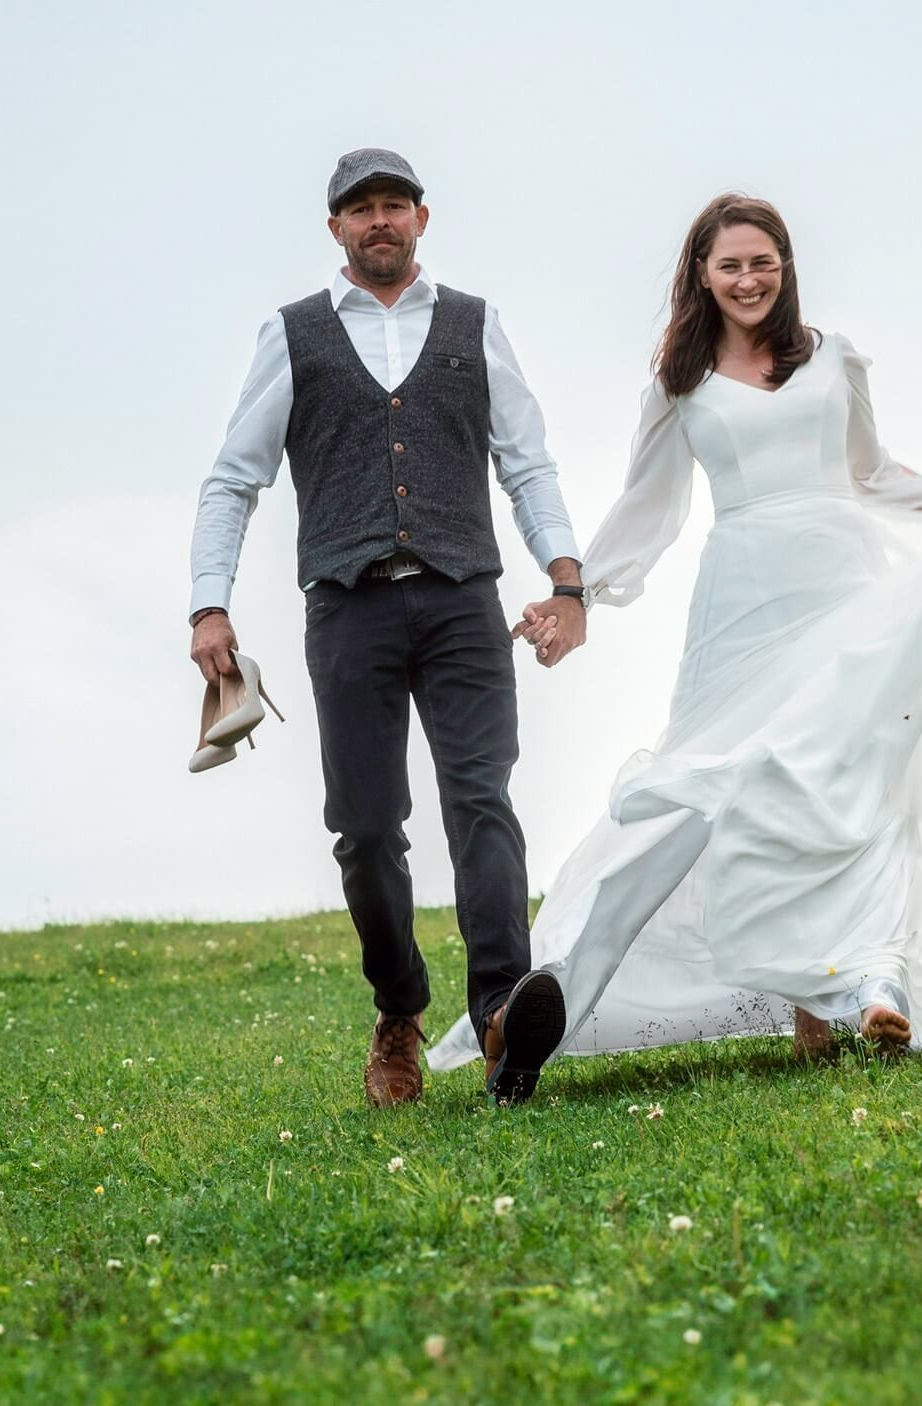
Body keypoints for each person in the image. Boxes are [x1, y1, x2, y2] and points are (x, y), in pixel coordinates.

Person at [426, 193, 922, 1074]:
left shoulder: (835, 360)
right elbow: (647, 508)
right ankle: (552, 995)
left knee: (846, 778)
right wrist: (579, 592)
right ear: (701, 276)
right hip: (743, 602)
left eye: (763, 261)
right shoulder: (681, 385)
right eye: (730, 264)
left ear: (785, 267)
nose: (749, 279)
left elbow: (873, 471)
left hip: (844, 582)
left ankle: (865, 982)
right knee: (714, 795)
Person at [186, 149, 586, 1108]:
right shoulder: (291, 336)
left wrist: (568, 579)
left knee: (481, 799)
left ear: (422, 217)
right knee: (365, 831)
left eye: (394, 206)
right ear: (336, 230)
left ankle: (499, 1012)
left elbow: (527, 465)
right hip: (348, 606)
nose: (379, 221)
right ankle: (399, 1012)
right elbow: (233, 479)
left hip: (463, 600)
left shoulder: (475, 326)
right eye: (360, 209)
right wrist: (210, 602)